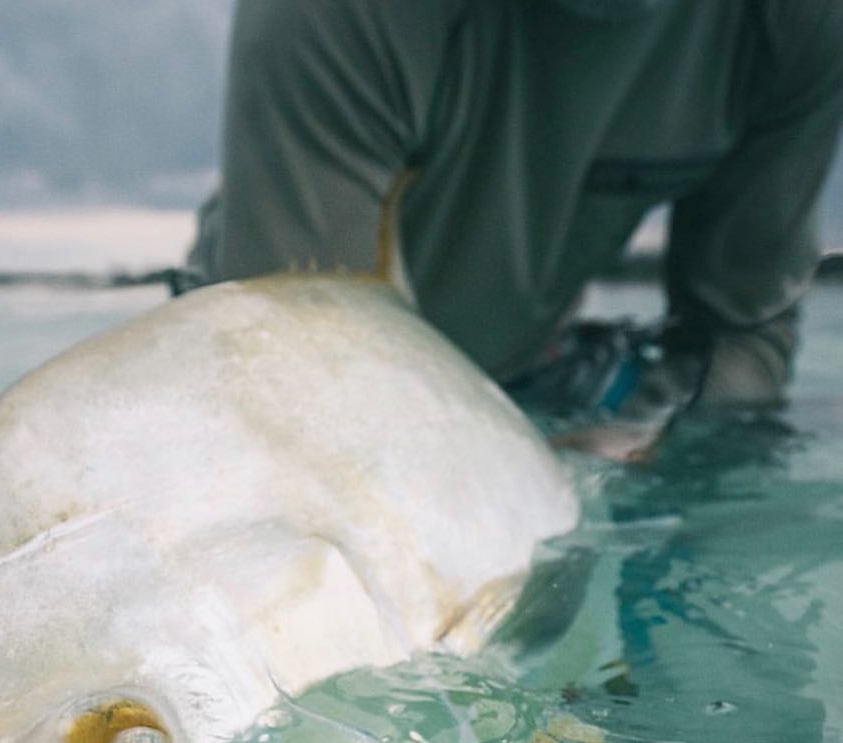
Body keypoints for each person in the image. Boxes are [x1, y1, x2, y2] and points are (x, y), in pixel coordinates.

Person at [183, 0, 843, 451]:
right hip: (246, 375)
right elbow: (294, 389)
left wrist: (656, 461)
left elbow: (744, 336)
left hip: (535, 378)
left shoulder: (796, 21)